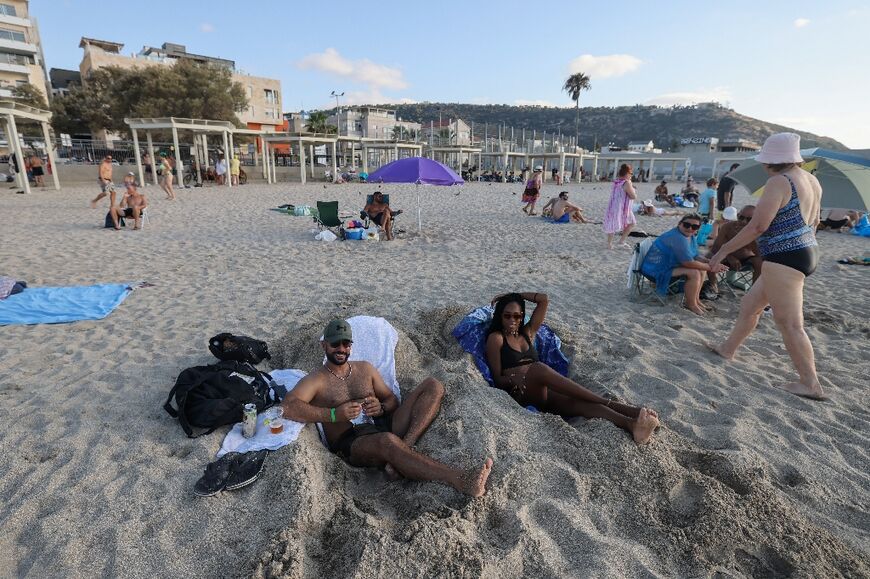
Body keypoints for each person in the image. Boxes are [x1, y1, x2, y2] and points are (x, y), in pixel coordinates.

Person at [282, 319, 493, 497]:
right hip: (351, 441)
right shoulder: (317, 380)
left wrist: (381, 407)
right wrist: (334, 414)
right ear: (324, 346)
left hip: (383, 425)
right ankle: (459, 479)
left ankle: (404, 449)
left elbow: (392, 400)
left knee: (433, 385)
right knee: (388, 441)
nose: (341, 349)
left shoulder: (364, 369)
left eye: (346, 344)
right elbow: (288, 406)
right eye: (335, 344)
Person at [709, 133, 825, 400]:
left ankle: (810, 383)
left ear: (770, 161)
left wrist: (723, 250)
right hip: (805, 250)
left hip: (785, 258)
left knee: (790, 323)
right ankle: (728, 348)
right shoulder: (812, 180)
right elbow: (815, 222)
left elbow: (758, 226)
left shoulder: (779, 182)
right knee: (750, 304)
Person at [485, 293, 660, 444]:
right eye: (507, 315)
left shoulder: (528, 332)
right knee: (538, 368)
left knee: (583, 405)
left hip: (543, 392)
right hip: (522, 394)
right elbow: (497, 379)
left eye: (516, 316)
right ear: (500, 315)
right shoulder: (497, 338)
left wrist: (514, 295)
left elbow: (544, 299)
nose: (512, 321)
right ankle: (626, 408)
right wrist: (510, 379)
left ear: (522, 316)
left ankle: (632, 425)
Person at [641, 214, 728, 315]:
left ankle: (696, 300)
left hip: (668, 265)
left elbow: (695, 255)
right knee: (694, 272)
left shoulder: (689, 236)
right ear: (679, 224)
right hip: (655, 269)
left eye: (695, 227)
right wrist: (712, 267)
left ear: (698, 228)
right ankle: (690, 304)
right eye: (686, 225)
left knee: (702, 268)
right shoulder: (677, 237)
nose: (690, 228)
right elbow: (688, 262)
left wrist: (709, 262)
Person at [707, 205, 762, 292]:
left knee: (760, 261)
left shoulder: (758, 231)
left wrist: (752, 237)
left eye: (749, 219)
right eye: (741, 217)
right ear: (738, 215)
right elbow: (715, 248)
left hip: (746, 258)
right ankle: (713, 285)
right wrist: (729, 256)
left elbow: (759, 254)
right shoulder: (727, 227)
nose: (743, 221)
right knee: (709, 256)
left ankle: (754, 290)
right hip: (726, 258)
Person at [603, 163, 637, 249]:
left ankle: (609, 243)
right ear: (627, 174)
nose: (631, 176)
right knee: (631, 223)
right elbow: (633, 196)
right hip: (622, 207)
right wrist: (632, 187)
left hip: (613, 205)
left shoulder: (616, 181)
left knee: (613, 223)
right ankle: (620, 241)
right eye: (631, 174)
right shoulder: (626, 183)